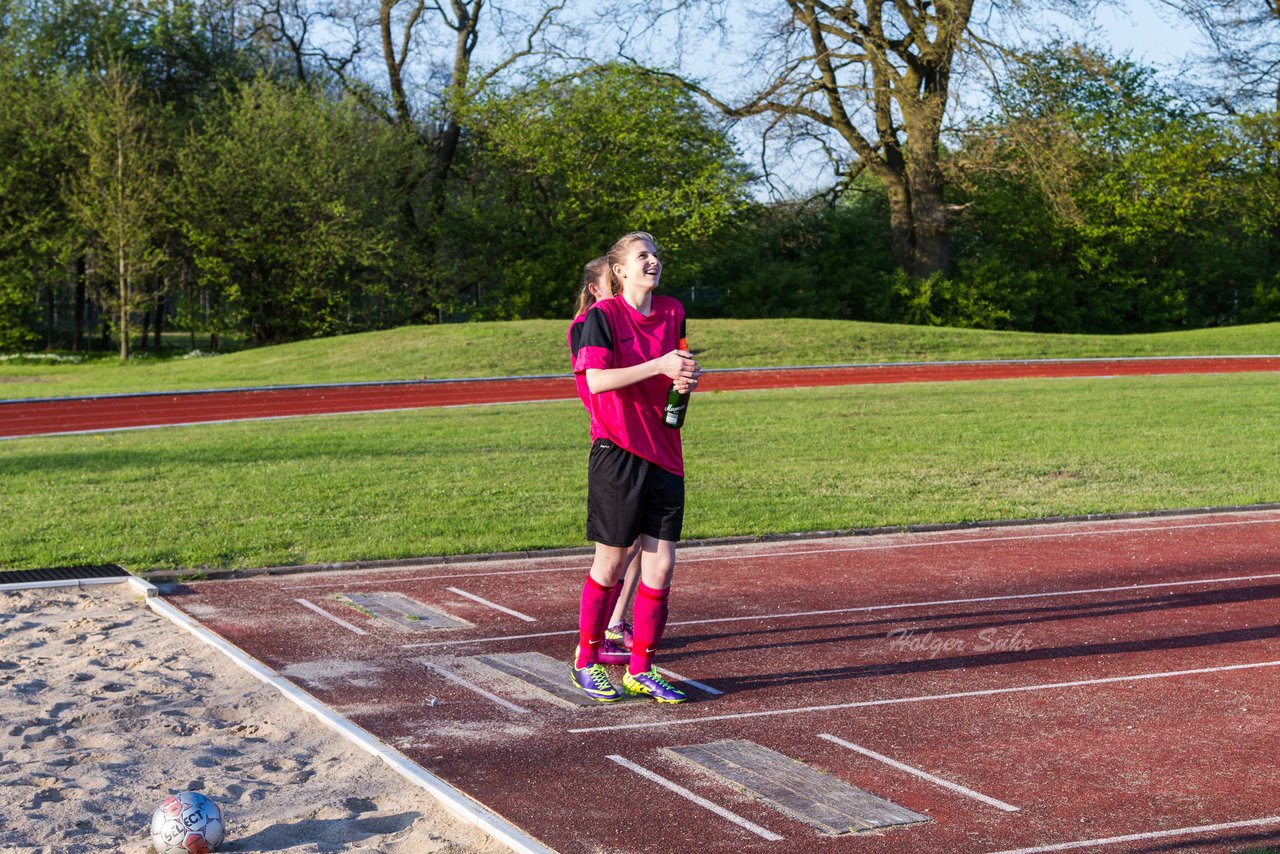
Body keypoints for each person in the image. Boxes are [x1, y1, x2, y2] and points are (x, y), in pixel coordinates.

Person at [569, 232, 699, 704]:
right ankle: (586, 659)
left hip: (665, 450)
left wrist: (685, 378)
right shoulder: (602, 316)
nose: (653, 261)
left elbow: (676, 370)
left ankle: (641, 667)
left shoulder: (673, 311)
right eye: (642, 256)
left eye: (656, 255)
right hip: (617, 450)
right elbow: (598, 380)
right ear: (619, 271)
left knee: (661, 564)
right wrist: (659, 364)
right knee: (610, 559)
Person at [567, 257, 642, 666]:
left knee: (645, 545)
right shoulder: (588, 325)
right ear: (596, 290)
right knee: (619, 549)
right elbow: (599, 378)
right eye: (612, 283)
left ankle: (615, 622)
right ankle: (604, 630)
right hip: (614, 441)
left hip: (644, 442)